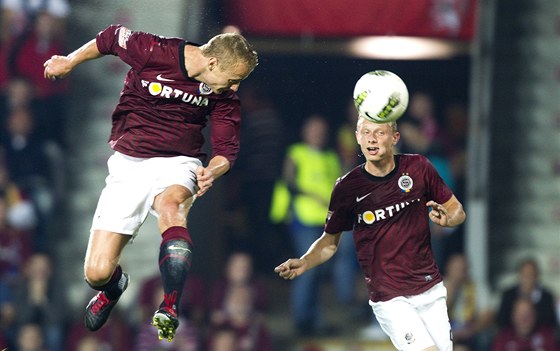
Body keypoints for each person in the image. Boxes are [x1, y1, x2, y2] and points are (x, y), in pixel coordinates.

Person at [43, 24, 258, 342]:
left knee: (172, 207)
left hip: (178, 162)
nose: (236, 87)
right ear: (212, 63)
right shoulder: (157, 52)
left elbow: (226, 150)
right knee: (96, 273)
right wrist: (70, 61)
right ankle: (114, 286)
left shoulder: (223, 95)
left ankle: (170, 305)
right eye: (234, 78)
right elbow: (112, 38)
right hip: (128, 166)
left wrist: (213, 169)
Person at [275, 117, 466, 351]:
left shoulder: (418, 167)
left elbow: (457, 210)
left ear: (395, 138)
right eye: (365, 132)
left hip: (430, 290)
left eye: (379, 132)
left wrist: (448, 219)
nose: (371, 139)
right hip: (389, 297)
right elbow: (329, 242)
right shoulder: (347, 187)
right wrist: (305, 261)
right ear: (357, 137)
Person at [281, 114, 342, 336]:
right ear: (305, 132)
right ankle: (301, 320)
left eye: (321, 130)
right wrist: (313, 195)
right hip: (304, 218)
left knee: (319, 271)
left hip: (327, 223)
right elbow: (289, 181)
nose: (318, 134)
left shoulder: (330, 157)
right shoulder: (296, 153)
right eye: (314, 129)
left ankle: (314, 320)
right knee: (305, 267)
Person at [496, 257, 558, 330]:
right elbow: (502, 321)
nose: (528, 278)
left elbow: (551, 322)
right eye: (525, 274)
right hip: (512, 336)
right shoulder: (508, 295)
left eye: (531, 274)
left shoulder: (547, 296)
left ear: (537, 276)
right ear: (519, 275)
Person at [491, 296, 559, 351]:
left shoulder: (546, 335)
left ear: (535, 315)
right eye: (520, 314)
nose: (524, 319)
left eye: (528, 314)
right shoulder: (504, 337)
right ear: (513, 316)